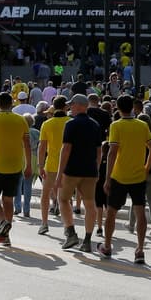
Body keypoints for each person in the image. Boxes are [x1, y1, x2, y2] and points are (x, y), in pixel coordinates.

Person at [101, 95, 151, 263]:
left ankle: (108, 246)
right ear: (132, 106)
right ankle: (139, 249)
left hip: (118, 176)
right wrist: (146, 168)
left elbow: (112, 153)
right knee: (140, 212)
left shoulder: (116, 125)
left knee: (111, 212)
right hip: (138, 176)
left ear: (117, 107)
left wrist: (107, 178)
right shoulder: (142, 125)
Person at [0, 92, 32, 246]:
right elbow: (27, 144)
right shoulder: (21, 120)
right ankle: (6, 235)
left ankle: (3, 223)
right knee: (8, 200)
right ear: (12, 104)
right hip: (15, 166)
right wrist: (29, 165)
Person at [55, 94, 101, 252]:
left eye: (72, 105)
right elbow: (99, 151)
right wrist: (96, 168)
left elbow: (66, 149)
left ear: (79, 105)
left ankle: (71, 233)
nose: (70, 107)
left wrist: (59, 174)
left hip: (72, 170)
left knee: (63, 199)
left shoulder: (71, 124)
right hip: (90, 170)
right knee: (90, 205)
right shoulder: (95, 125)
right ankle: (87, 240)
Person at [36, 96, 71, 234]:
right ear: (65, 107)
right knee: (66, 197)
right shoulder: (70, 122)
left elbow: (42, 147)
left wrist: (40, 165)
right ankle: (68, 226)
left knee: (45, 195)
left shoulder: (47, 124)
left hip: (51, 164)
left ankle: (44, 223)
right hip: (68, 165)